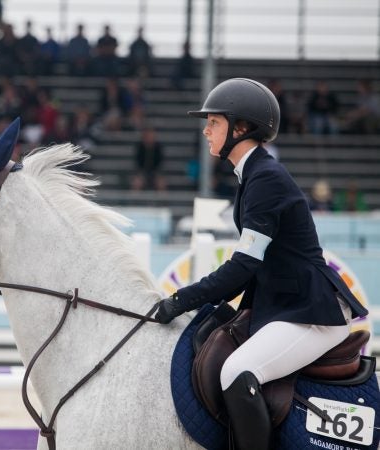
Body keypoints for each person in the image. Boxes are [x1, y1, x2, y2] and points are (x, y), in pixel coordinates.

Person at [152, 78, 368, 450]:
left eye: (214, 122)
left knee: (237, 371)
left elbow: (242, 267)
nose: (206, 130)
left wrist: (179, 300)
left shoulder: (265, 179)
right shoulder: (252, 176)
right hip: (287, 305)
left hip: (310, 312)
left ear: (241, 128)